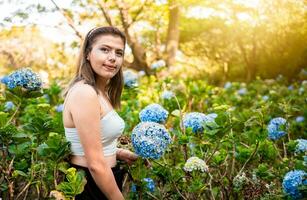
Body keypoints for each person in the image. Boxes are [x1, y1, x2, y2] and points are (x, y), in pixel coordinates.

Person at [62, 26, 138, 200]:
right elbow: (95, 164)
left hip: (103, 179)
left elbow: (86, 144)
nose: (112, 58)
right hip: (90, 185)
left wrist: (117, 152)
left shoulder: (99, 91)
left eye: (119, 53)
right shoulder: (85, 93)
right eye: (104, 50)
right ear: (88, 54)